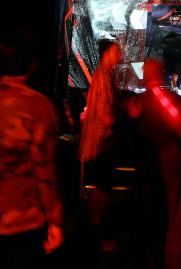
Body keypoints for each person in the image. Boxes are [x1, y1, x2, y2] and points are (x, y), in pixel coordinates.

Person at [0, 29, 64, 269]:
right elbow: (46, 173)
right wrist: (56, 222)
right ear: (33, 64)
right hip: (23, 224)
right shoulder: (38, 106)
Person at [129, 58, 181, 269]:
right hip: (171, 154)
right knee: (174, 207)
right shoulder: (174, 98)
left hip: (146, 157)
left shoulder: (138, 101)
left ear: (146, 75)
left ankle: (148, 258)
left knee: (148, 207)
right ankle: (175, 259)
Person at [78, 40, 122, 251]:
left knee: (102, 186)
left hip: (99, 142)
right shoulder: (104, 76)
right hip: (101, 142)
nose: (120, 55)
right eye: (117, 51)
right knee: (103, 188)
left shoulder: (103, 74)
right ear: (107, 53)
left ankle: (91, 229)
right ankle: (93, 231)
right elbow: (105, 113)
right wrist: (120, 116)